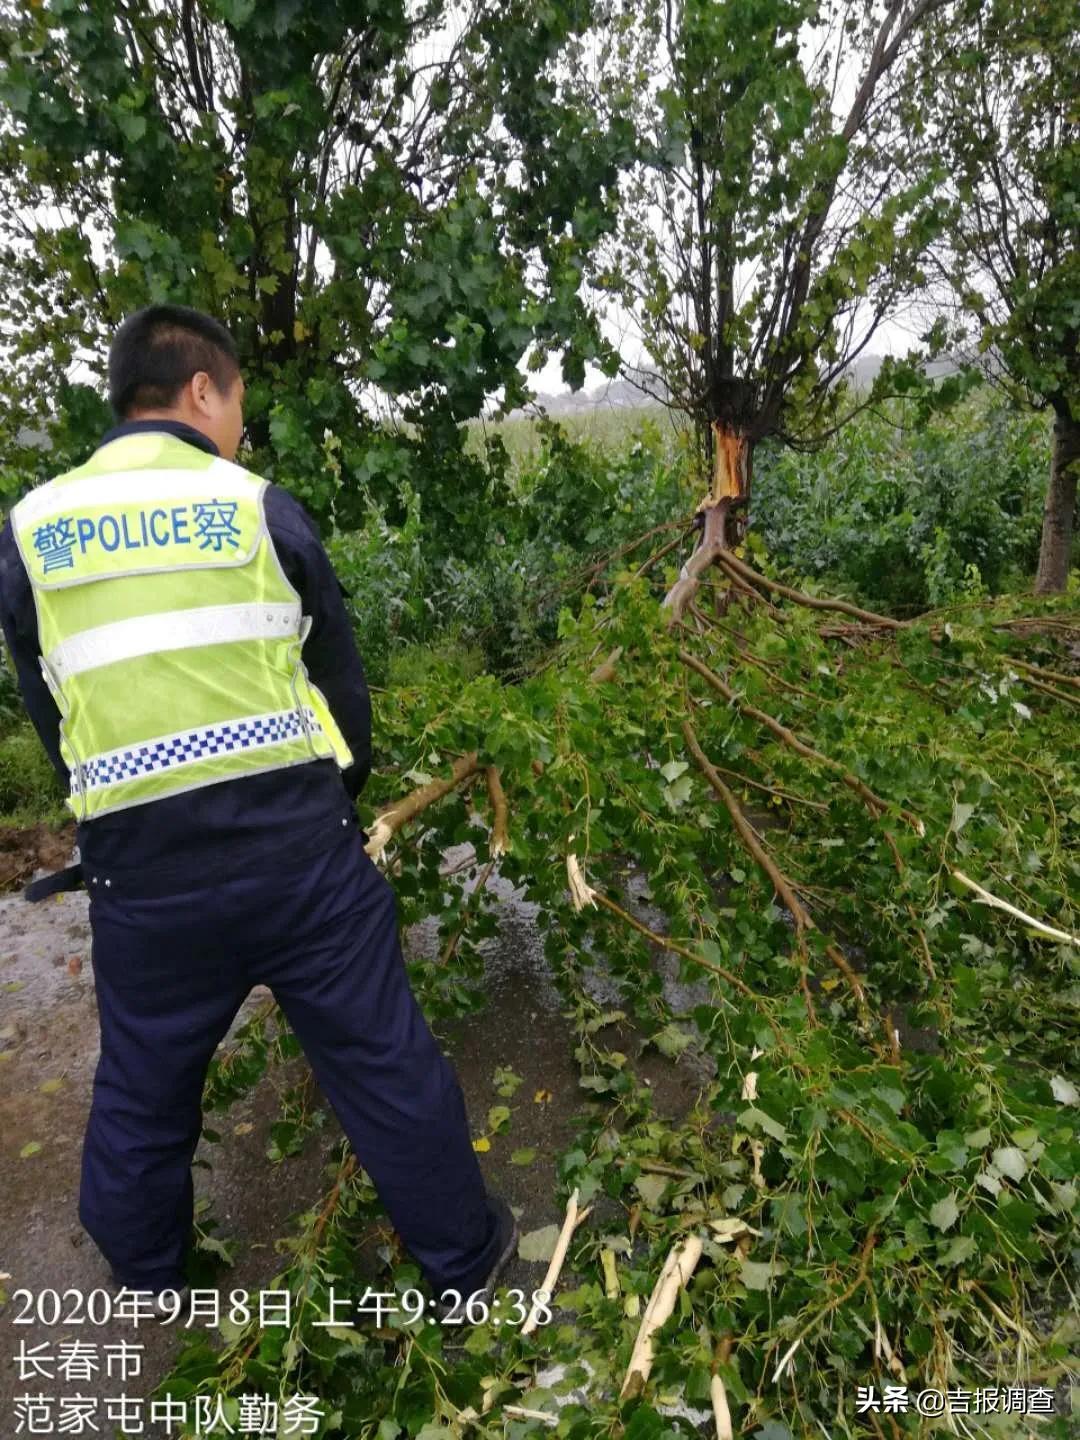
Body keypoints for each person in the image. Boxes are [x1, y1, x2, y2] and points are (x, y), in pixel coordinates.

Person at [0, 303, 517, 1314]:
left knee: (145, 1085)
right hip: (296, 855)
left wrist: (119, 816)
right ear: (202, 389)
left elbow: (48, 704)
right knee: (381, 1059)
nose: (241, 426)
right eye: (238, 402)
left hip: (142, 873)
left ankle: (145, 1278)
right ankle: (464, 1263)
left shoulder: (29, 532)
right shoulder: (255, 509)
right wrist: (340, 802)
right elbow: (341, 686)